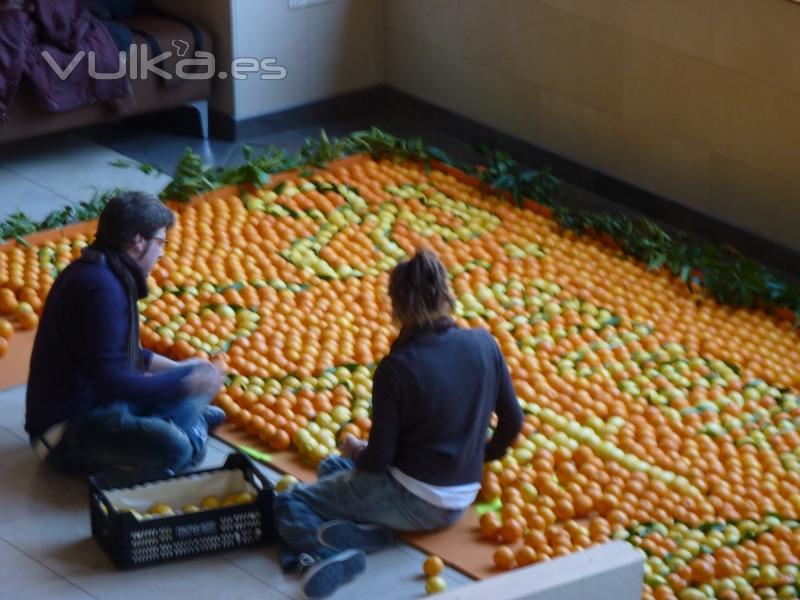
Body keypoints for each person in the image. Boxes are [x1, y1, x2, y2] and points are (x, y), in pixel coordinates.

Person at [274, 248, 524, 600]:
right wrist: (478, 456)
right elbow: (514, 421)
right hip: (463, 495)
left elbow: (378, 461)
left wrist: (357, 450)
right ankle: (374, 530)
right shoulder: (484, 343)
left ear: (398, 304)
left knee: (288, 502)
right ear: (445, 292)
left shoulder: (398, 367)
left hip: (414, 498)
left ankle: (325, 554)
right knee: (332, 467)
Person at [25, 191, 225, 479]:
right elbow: (116, 382)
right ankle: (190, 427)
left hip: (100, 402)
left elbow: (119, 355)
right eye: (160, 242)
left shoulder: (102, 270)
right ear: (138, 241)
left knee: (183, 388)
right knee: (177, 448)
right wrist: (187, 381)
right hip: (66, 431)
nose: (162, 252)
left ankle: (184, 417)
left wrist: (182, 368)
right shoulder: (101, 289)